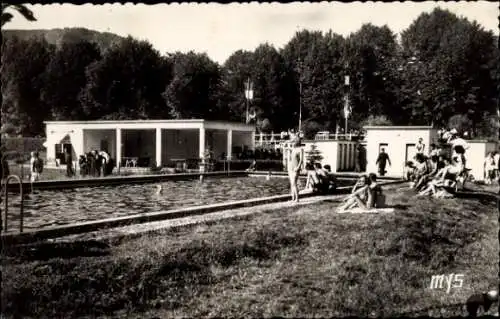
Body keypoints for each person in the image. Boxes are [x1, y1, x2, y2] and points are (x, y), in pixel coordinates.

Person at [287, 135, 303, 202]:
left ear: (296, 142)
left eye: (293, 142)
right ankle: (293, 198)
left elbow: (301, 160)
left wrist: (298, 167)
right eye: (291, 142)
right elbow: (289, 159)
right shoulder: (291, 149)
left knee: (294, 183)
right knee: (292, 183)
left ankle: (297, 198)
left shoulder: (300, 149)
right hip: (290, 167)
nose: (292, 143)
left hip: (296, 167)